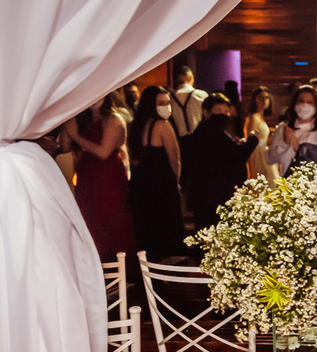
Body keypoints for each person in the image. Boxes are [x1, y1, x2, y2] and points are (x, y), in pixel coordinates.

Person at [61, 92, 137, 262]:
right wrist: (68, 119)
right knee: (89, 217)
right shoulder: (85, 121)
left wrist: (76, 136)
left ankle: (117, 264)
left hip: (107, 174)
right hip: (87, 175)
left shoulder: (113, 119)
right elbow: (65, 146)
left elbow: (104, 152)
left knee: (109, 217)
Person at [181, 93, 258, 231]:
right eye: (218, 111)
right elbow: (236, 156)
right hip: (214, 194)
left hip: (204, 194)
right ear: (206, 112)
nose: (223, 115)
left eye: (226, 112)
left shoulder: (207, 133)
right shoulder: (210, 134)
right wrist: (252, 141)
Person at [128, 87, 186, 259]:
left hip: (140, 184)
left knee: (147, 231)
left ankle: (149, 268)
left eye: (168, 102)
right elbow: (174, 158)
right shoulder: (162, 125)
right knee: (166, 231)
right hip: (161, 184)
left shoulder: (136, 127)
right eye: (161, 103)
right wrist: (176, 182)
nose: (166, 107)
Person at [266, 86, 317, 178]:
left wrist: (300, 149)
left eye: (309, 102)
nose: (304, 105)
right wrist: (285, 144)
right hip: (287, 181)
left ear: (316, 106)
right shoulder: (283, 128)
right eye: (301, 101)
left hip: (313, 181)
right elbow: (269, 159)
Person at [244, 86, 280, 185]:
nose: (264, 100)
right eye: (260, 97)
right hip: (258, 155)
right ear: (255, 99)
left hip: (265, 153)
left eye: (266, 98)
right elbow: (249, 141)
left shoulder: (261, 118)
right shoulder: (253, 117)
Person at [169, 66, 207, 137]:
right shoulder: (201, 95)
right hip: (201, 138)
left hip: (179, 140)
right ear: (191, 77)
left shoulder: (169, 98)